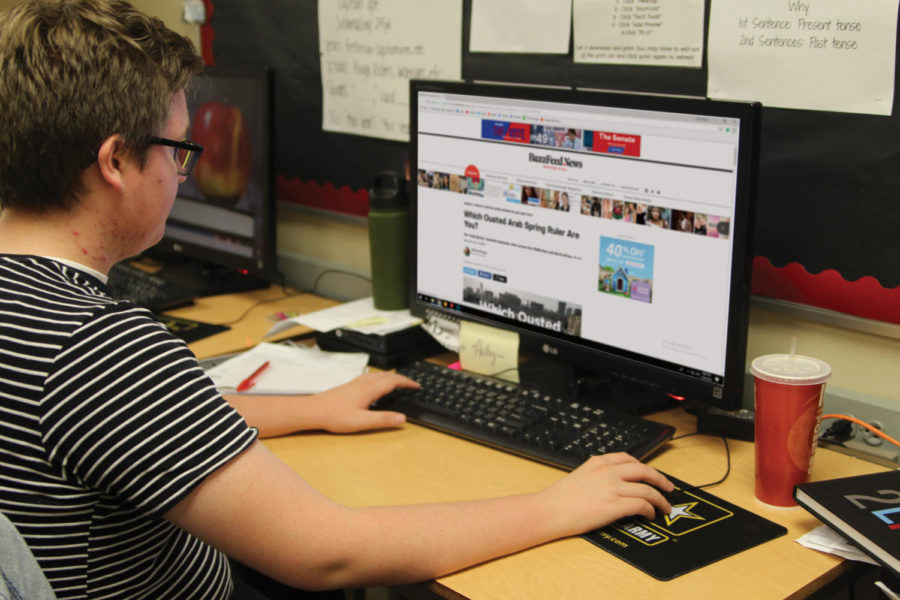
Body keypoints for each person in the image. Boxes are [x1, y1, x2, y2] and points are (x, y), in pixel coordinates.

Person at [0, 2, 673, 599]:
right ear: (116, 162)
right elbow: (326, 551)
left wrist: (310, 408)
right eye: (178, 151)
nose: (183, 174)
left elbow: (127, 420)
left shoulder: (37, 312)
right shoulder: (97, 345)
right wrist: (559, 505)